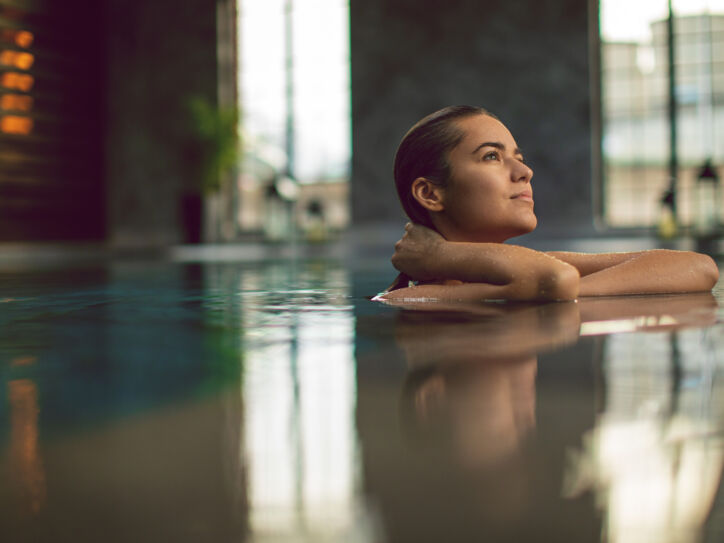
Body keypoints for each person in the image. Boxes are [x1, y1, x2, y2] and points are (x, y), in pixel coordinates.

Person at [375, 106, 720, 302]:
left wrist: (442, 255)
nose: (524, 171)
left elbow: (699, 267)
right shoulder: (410, 299)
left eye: (518, 157)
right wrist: (549, 288)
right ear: (431, 194)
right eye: (492, 156)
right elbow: (554, 279)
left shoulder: (529, 275)